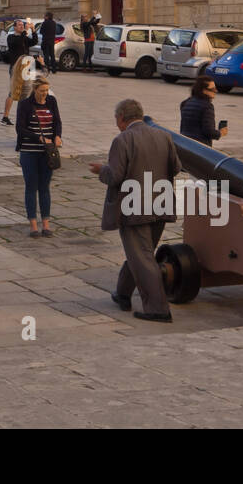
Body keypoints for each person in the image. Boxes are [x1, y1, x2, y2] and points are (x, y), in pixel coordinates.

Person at [93, 99, 181, 322]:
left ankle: (158, 309)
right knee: (142, 254)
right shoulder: (164, 137)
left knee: (141, 257)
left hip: (134, 207)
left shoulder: (123, 140)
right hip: (160, 203)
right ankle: (122, 293)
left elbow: (115, 176)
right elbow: (176, 168)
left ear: (122, 117)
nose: (116, 124)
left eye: (116, 119)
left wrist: (101, 170)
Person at [16, 75, 61, 237]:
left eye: (47, 90)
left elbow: (57, 122)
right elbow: (20, 129)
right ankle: (33, 224)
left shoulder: (51, 101)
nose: (45, 94)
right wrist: (39, 138)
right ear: (35, 90)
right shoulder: (25, 105)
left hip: (47, 153)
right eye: (42, 91)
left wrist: (57, 136)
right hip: (29, 152)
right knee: (31, 186)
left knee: (45, 187)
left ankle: (46, 224)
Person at [0, 20, 35, 125]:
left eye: (22, 25)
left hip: (27, 67)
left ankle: (24, 116)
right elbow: (19, 42)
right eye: (19, 25)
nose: (21, 26)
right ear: (14, 27)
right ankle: (5, 117)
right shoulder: (11, 37)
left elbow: (34, 41)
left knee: (27, 92)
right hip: (16, 68)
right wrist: (25, 31)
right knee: (13, 92)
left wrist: (33, 30)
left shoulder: (24, 37)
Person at [180, 71, 226, 147]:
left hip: (185, 143)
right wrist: (221, 133)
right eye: (213, 89)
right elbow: (209, 131)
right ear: (204, 91)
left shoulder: (185, 103)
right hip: (200, 147)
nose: (216, 91)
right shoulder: (207, 106)